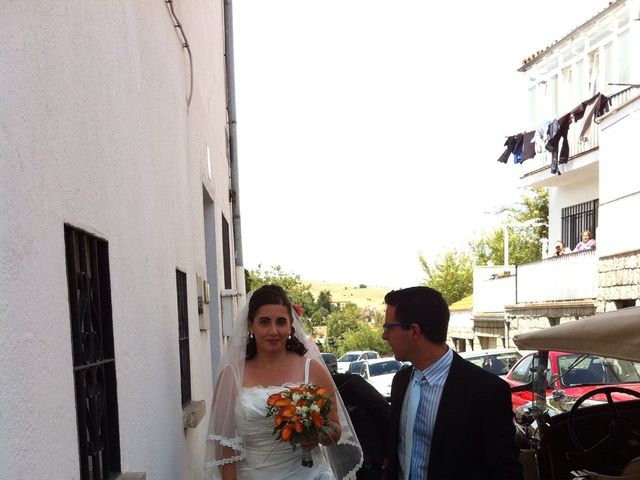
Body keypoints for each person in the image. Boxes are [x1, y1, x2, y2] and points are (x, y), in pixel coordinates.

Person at [205, 285, 363, 480]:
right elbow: (225, 448)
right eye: (264, 322)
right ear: (250, 325)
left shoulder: (312, 369)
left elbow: (335, 429)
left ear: (290, 325)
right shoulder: (232, 375)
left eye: (281, 322)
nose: (274, 331)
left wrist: (318, 434)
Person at [381, 286, 522, 480]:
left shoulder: (485, 391)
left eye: (388, 327)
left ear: (414, 331)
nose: (384, 336)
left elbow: (505, 471)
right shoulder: (401, 381)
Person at [332, 372, 390, 480]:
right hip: (337, 467)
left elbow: (385, 413)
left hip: (371, 463)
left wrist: (388, 454)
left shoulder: (349, 383)